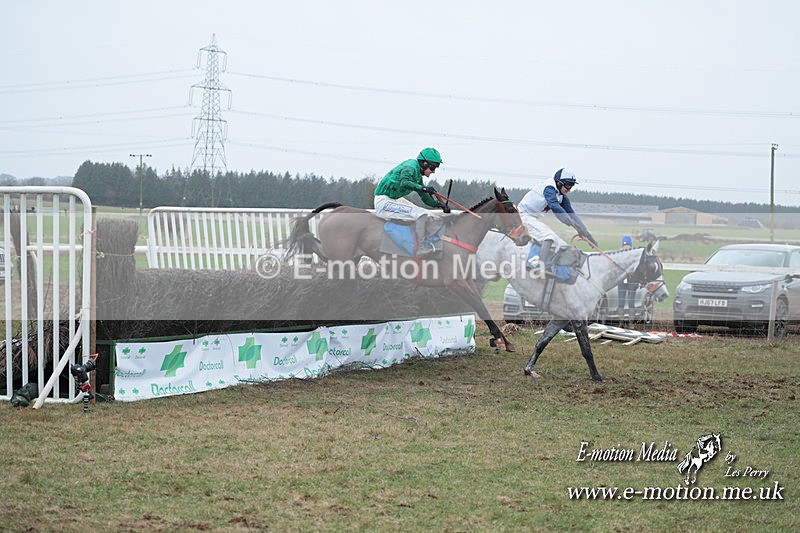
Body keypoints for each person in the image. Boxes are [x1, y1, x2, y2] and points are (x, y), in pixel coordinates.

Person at [374, 147, 450, 256]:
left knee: (427, 214)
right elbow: (404, 182)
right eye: (432, 168)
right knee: (421, 215)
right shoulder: (410, 167)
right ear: (424, 163)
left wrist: (440, 205)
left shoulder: (417, 175)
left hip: (392, 200)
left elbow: (425, 198)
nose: (433, 171)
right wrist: (424, 188)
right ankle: (420, 248)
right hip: (383, 202)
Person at [518, 168, 597, 271]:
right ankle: (539, 268)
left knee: (561, 245)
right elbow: (555, 206)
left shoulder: (562, 196)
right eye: (568, 185)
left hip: (533, 218)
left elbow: (572, 214)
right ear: (559, 183)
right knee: (549, 236)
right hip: (522, 216)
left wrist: (587, 234)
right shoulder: (549, 188)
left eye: (572, 186)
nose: (569, 189)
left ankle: (553, 271)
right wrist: (571, 224)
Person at [616, 235, 639, 325]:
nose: (626, 247)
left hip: (631, 282)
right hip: (621, 282)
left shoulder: (633, 255)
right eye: (624, 245)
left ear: (630, 245)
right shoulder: (619, 255)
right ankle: (621, 321)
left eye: (627, 245)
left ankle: (631, 322)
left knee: (631, 302)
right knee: (621, 302)